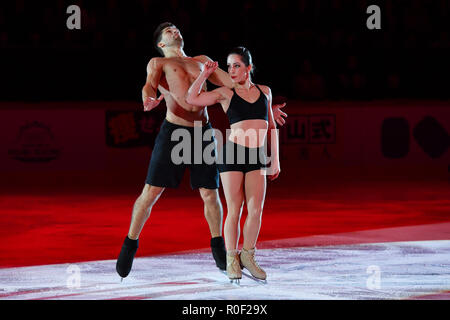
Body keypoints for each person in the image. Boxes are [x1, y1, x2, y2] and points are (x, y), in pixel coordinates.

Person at [116, 23, 286, 279]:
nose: (173, 30)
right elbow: (148, 86)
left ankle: (220, 249)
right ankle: (130, 243)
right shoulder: (159, 63)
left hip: (202, 131)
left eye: (175, 27)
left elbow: (236, 85)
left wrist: (262, 106)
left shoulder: (202, 61)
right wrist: (147, 99)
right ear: (161, 44)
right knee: (151, 191)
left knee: (209, 192)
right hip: (174, 131)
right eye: (167, 31)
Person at [186, 47, 280, 281]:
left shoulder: (265, 92)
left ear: (249, 68)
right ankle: (231, 259)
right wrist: (204, 76)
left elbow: (271, 126)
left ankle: (247, 255)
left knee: (256, 209)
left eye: (236, 65)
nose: (231, 70)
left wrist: (275, 159)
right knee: (235, 210)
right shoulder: (225, 93)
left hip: (257, 155)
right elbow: (191, 98)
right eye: (229, 66)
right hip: (233, 154)